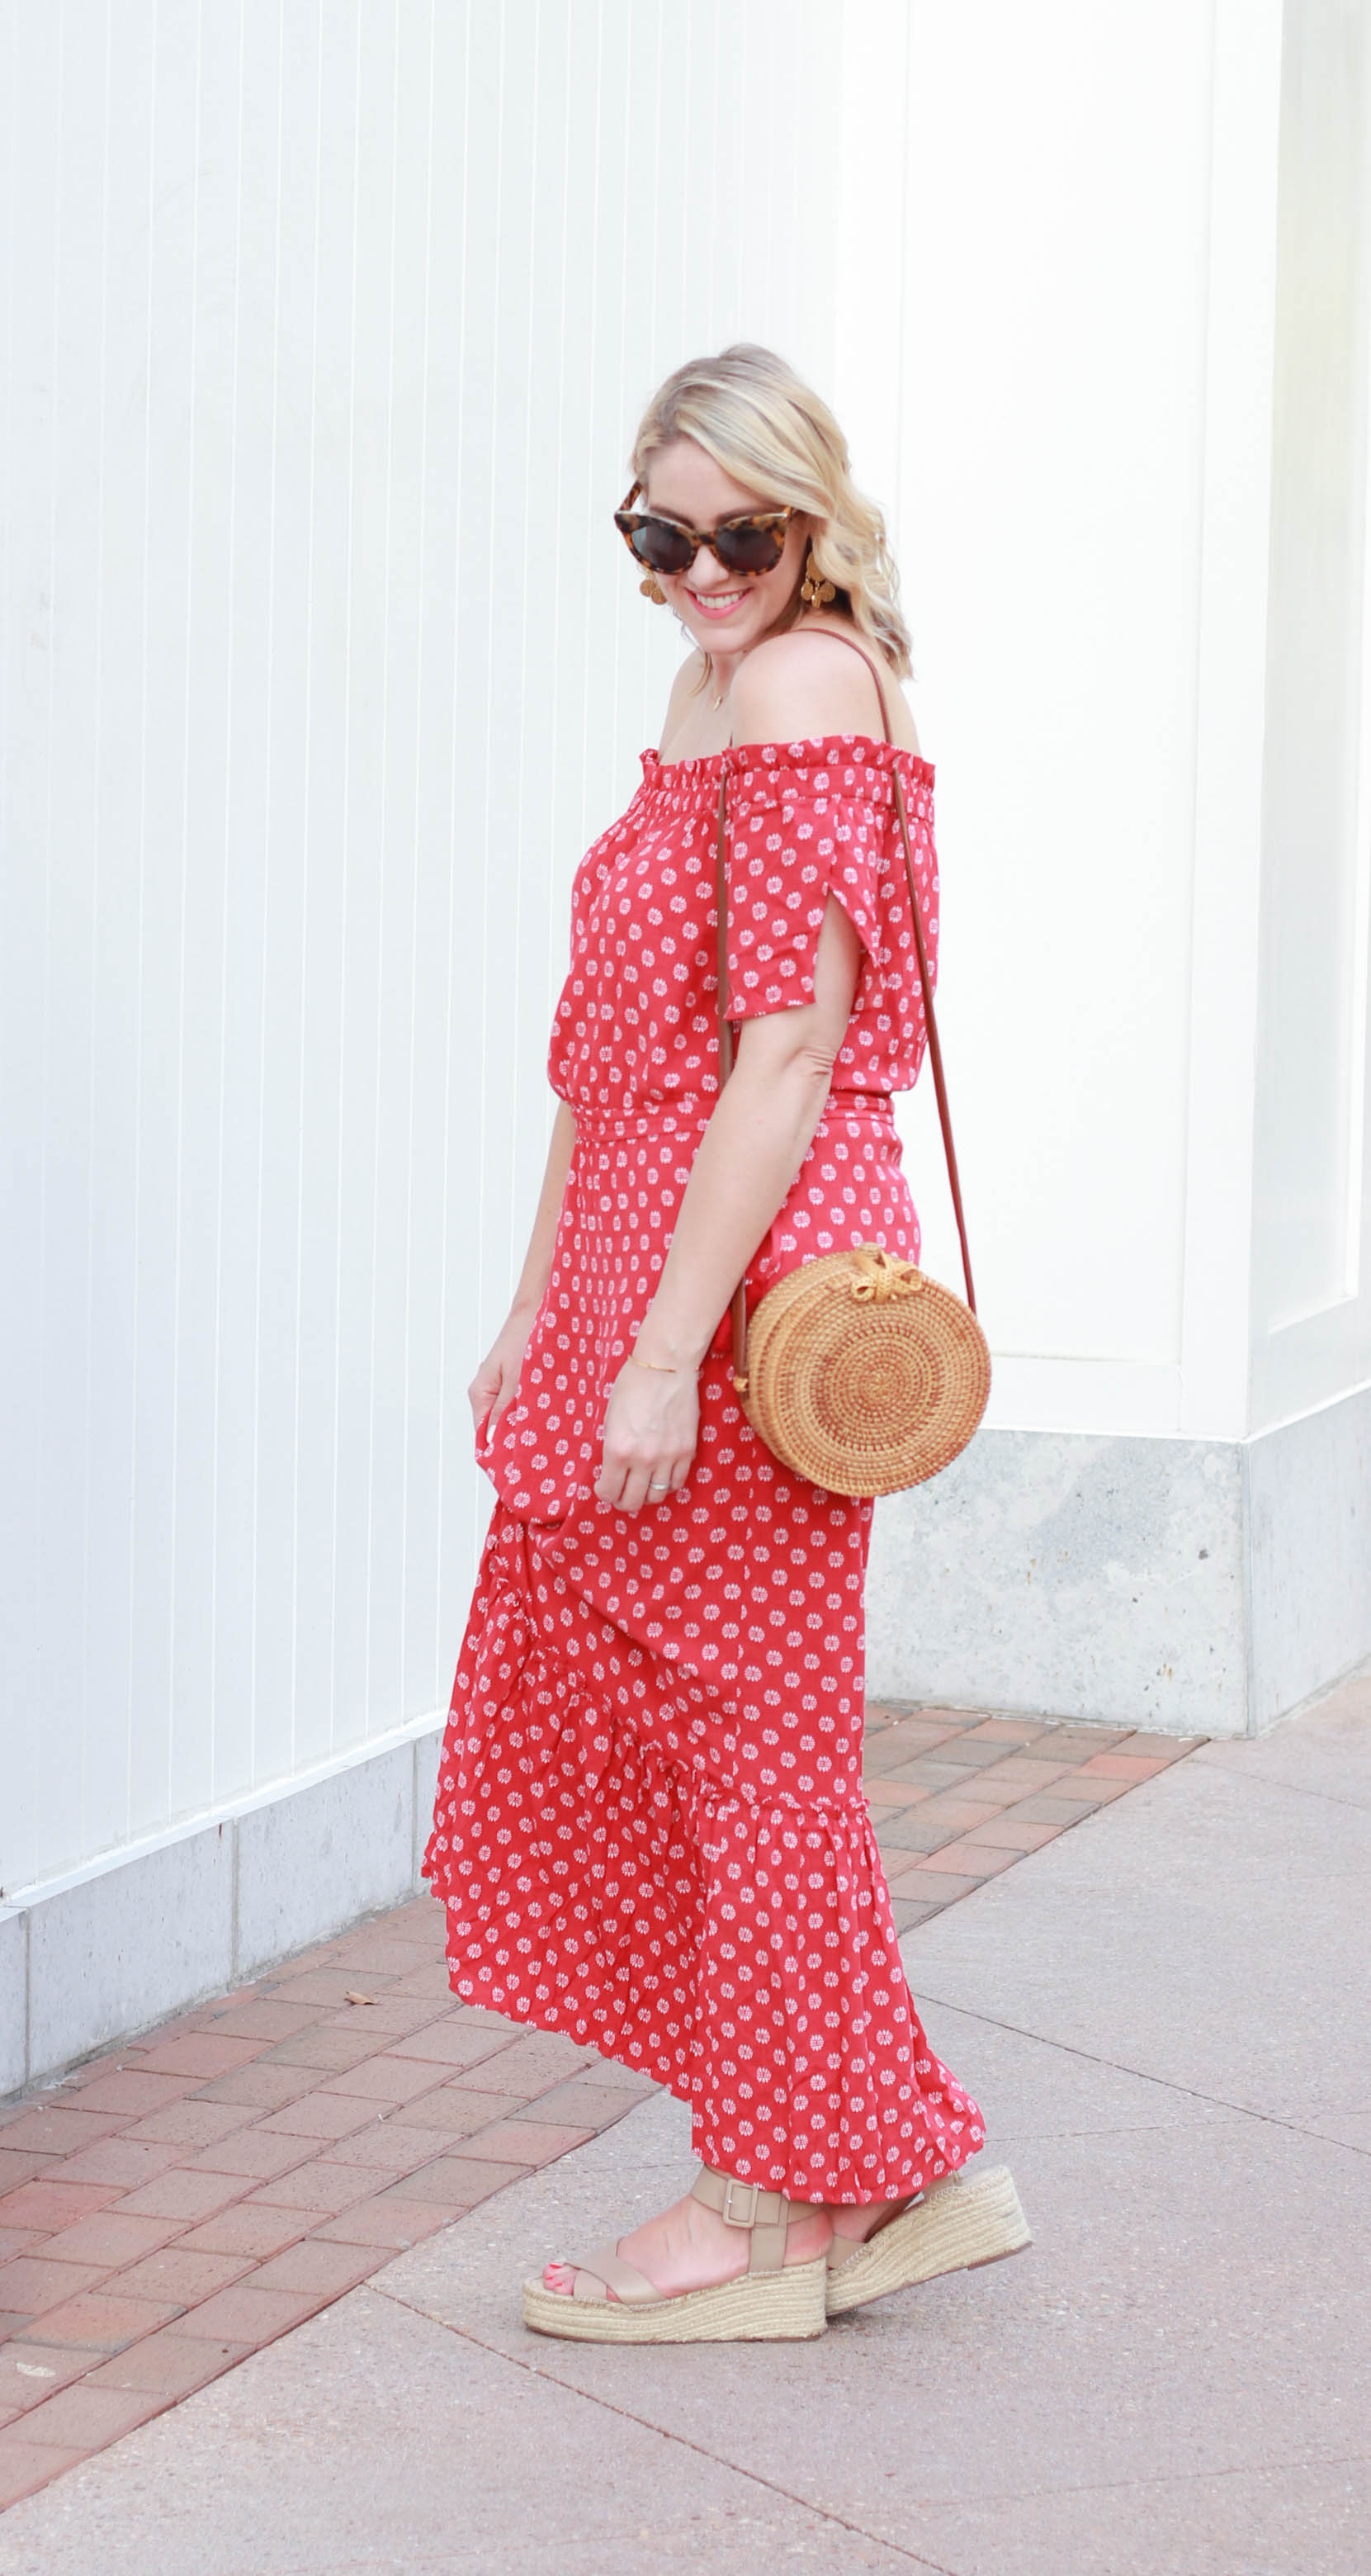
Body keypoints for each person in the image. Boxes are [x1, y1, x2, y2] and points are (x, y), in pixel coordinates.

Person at [423, 343, 1028, 2344]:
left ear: (813, 518)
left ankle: (770, 2208)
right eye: (658, 533)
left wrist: (668, 1350)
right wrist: (541, 1299)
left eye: (738, 533)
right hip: (642, 1262)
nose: (698, 570)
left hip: (747, 1283)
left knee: (749, 1750)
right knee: (686, 1733)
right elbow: (611, 1057)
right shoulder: (708, 682)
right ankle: (885, 2163)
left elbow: (780, 1063)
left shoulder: (799, 683)